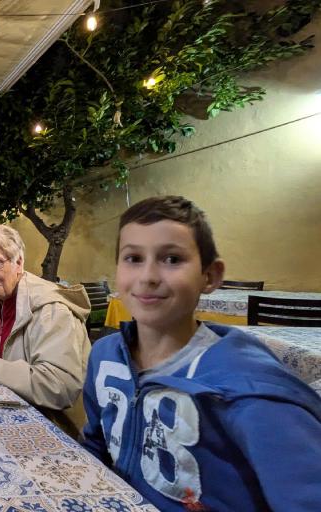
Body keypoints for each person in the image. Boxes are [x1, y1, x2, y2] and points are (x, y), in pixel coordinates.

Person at [81, 196, 321, 511]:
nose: (148, 276)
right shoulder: (104, 355)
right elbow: (95, 446)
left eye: (171, 259)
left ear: (210, 276)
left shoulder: (249, 390)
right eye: (133, 258)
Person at [0, 224, 91, 436]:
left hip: (48, 431)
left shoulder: (51, 310)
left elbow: (59, 387)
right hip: (1, 419)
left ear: (18, 262)